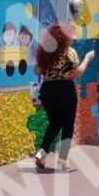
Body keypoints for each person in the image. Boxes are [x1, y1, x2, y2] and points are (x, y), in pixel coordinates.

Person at [33, 22, 94, 172]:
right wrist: (87, 58)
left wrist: (51, 69)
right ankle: (62, 160)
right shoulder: (70, 52)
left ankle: (42, 152)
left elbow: (37, 70)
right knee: (67, 125)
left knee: (54, 123)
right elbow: (77, 73)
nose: (72, 37)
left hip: (48, 89)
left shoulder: (46, 52)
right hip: (65, 89)